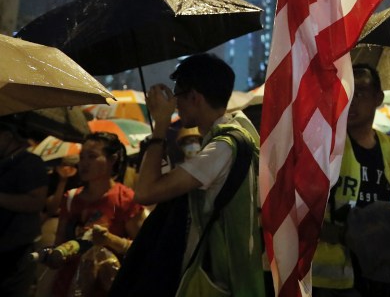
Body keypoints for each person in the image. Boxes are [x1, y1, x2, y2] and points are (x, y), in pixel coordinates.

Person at [135, 53, 265, 297]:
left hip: (221, 282)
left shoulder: (222, 148)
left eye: (177, 96)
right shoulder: (239, 134)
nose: (175, 105)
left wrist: (161, 125)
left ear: (193, 96)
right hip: (236, 275)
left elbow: (144, 192)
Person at [313, 63, 390, 297]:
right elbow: (302, 214)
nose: (350, 101)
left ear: (378, 97)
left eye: (359, 93)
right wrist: (346, 235)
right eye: (345, 93)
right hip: (340, 281)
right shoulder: (324, 149)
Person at [47, 131, 146, 297]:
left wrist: (110, 240)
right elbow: (60, 242)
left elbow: (143, 247)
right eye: (82, 156)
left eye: (92, 156)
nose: (84, 163)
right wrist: (51, 255)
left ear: (112, 160)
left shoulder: (125, 199)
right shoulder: (71, 198)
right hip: (66, 287)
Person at [0, 120, 48, 297]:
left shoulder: (31, 162)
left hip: (16, 252)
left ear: (7, 136)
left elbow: (36, 202)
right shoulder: (5, 162)